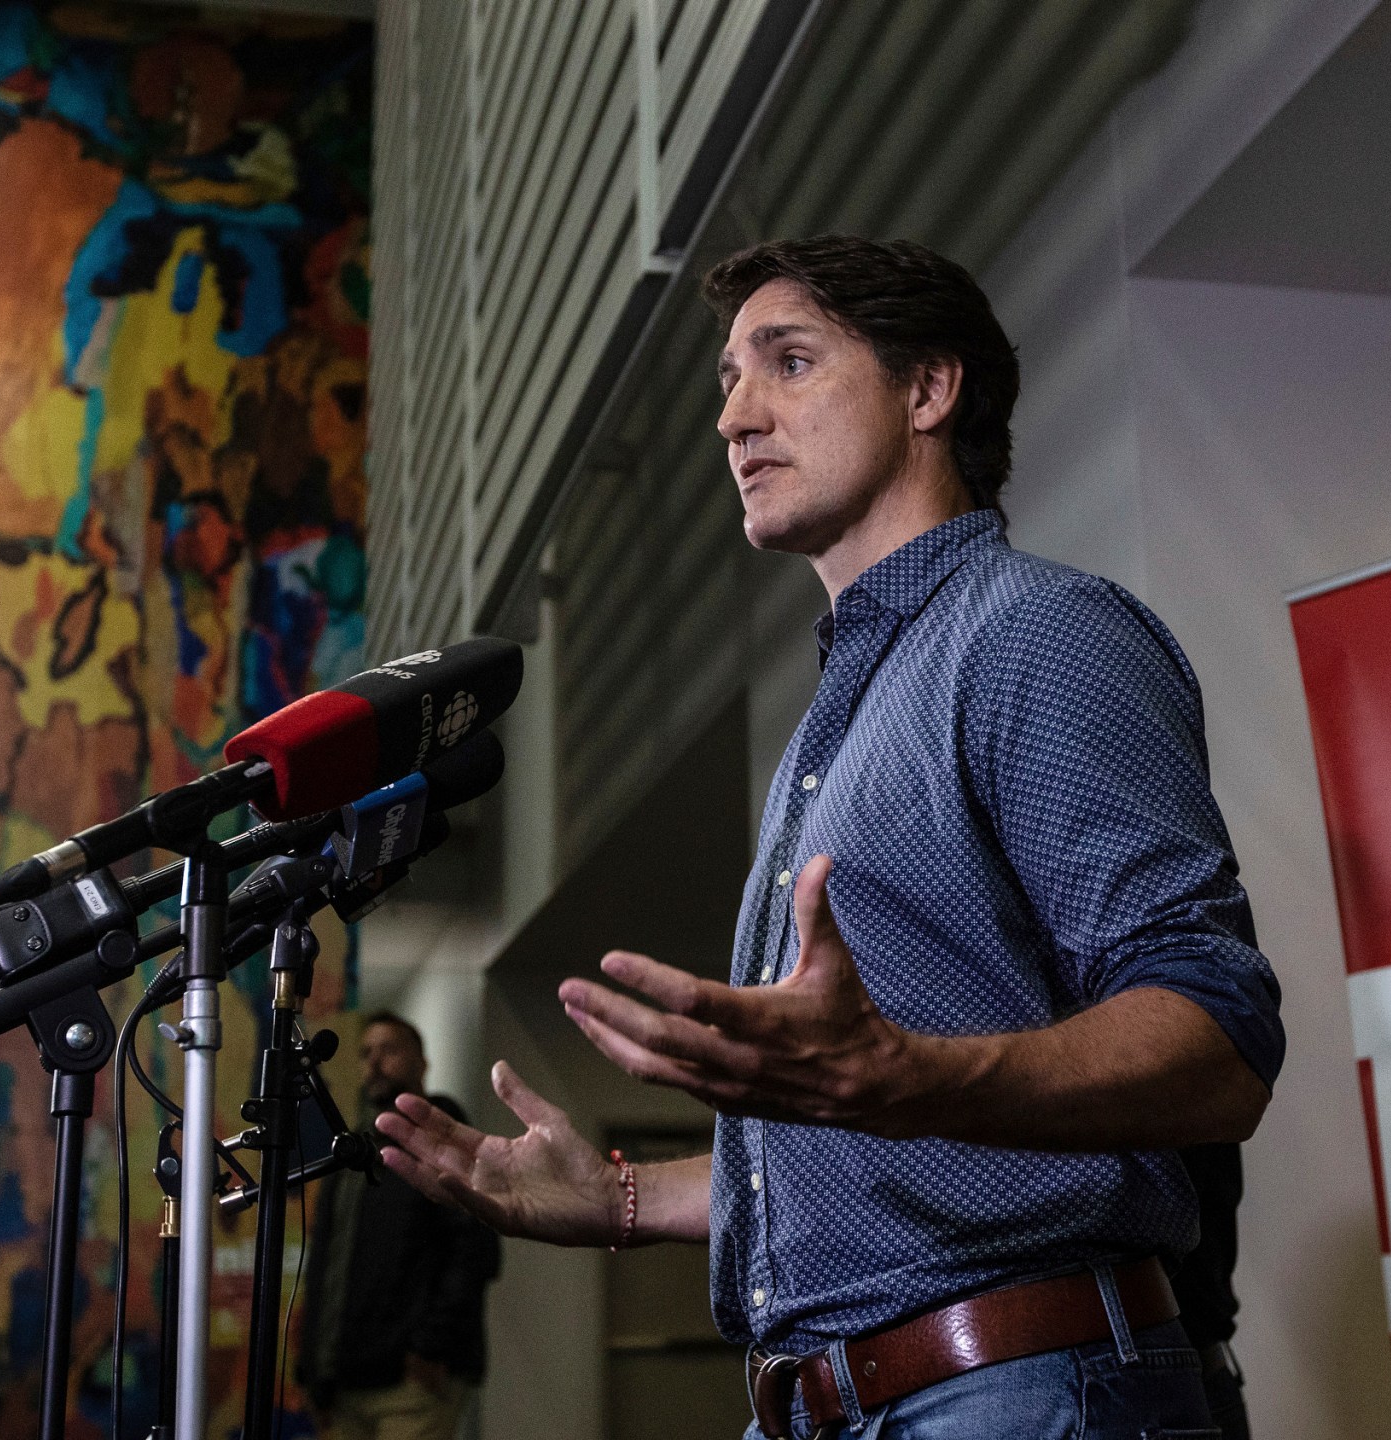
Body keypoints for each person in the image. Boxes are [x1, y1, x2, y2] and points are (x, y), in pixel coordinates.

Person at [378, 236, 1282, 1439]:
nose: (735, 416)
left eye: (787, 362)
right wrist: (623, 1197)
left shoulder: (1037, 636)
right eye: (726, 381)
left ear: (927, 390)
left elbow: (1219, 1040)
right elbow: (859, 1162)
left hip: (1016, 1394)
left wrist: (906, 1077)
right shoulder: (835, 723)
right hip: (825, 1403)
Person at [298, 1012, 502, 1440]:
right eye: (366, 1052)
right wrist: (313, 1370)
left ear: (422, 1063)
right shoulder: (352, 1151)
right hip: (343, 1385)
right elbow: (327, 1265)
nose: (374, 1062)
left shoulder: (445, 1139)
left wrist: (430, 1346)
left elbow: (474, 1252)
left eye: (389, 1050)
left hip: (411, 1383)